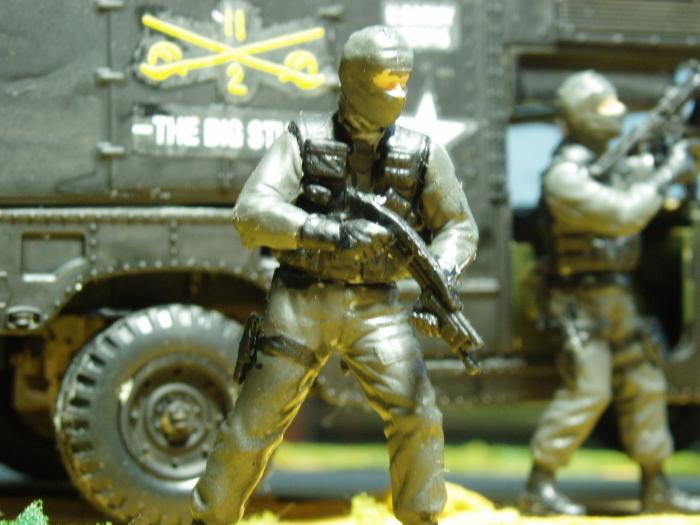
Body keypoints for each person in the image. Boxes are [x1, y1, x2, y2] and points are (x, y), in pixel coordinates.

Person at [190, 26, 479, 525]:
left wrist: (442, 273)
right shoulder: (304, 139)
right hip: (301, 304)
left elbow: (458, 226)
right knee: (253, 426)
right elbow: (251, 212)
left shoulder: (423, 151)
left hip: (377, 307)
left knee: (418, 414)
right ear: (356, 78)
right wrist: (328, 232)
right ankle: (208, 519)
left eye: (405, 79)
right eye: (387, 79)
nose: (399, 91)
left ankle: (422, 518)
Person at [518, 70, 700, 516]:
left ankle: (656, 484)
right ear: (582, 115)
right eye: (604, 106)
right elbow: (622, 215)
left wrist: (667, 159)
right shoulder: (564, 176)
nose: (617, 112)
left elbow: (642, 181)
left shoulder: (609, 164)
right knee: (590, 390)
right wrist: (666, 175)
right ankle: (539, 486)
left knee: (645, 384)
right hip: (578, 301)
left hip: (617, 295)